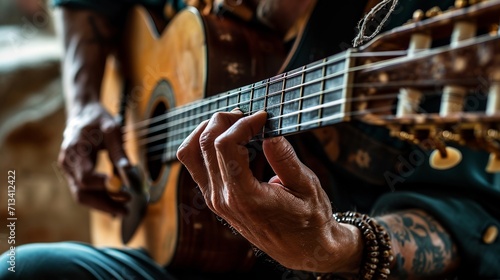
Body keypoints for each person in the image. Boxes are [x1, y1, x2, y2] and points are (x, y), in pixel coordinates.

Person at [1, 0, 499, 279]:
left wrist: (333, 247)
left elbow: (465, 218)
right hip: (179, 258)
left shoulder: (421, 24)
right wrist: (85, 104)